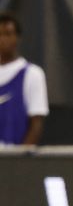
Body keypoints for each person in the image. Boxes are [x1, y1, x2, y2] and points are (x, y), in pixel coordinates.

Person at [0, 12, 48, 146]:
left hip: (14, 156)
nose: (3, 39)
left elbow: (36, 124)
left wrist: (20, 156)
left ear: (17, 38)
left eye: (8, 34)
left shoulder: (33, 74)